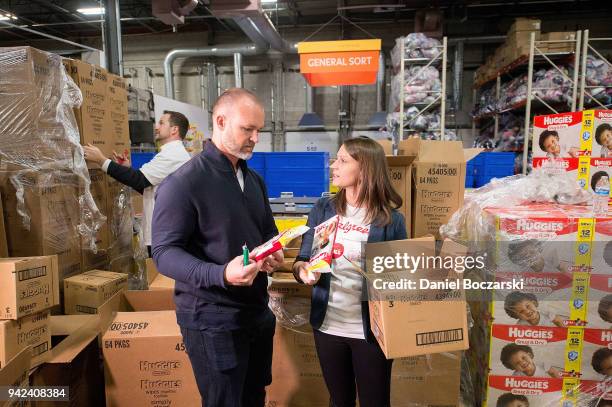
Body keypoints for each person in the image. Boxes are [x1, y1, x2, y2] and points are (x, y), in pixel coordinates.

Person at [151, 88, 282, 407]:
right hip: (212, 318)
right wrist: (221, 272)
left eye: (258, 130)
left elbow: (266, 232)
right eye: (247, 129)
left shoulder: (253, 181)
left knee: (254, 396)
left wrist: (272, 251)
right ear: (220, 121)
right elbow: (164, 253)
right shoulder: (184, 183)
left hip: (256, 312)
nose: (255, 138)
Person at [292, 136, 407, 407]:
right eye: (336, 159)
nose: (334, 165)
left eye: (343, 160)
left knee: (375, 402)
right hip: (328, 326)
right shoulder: (322, 209)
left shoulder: (391, 221)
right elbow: (301, 260)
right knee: (339, 400)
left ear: (365, 169)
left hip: (371, 332)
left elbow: (401, 277)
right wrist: (304, 271)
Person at [83, 110, 191, 255]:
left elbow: (139, 179)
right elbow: (147, 186)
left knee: (163, 277)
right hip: (165, 233)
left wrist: (101, 160)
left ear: (174, 129)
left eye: (161, 123)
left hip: (166, 235)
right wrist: (128, 169)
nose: (156, 127)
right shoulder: (172, 153)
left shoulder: (173, 155)